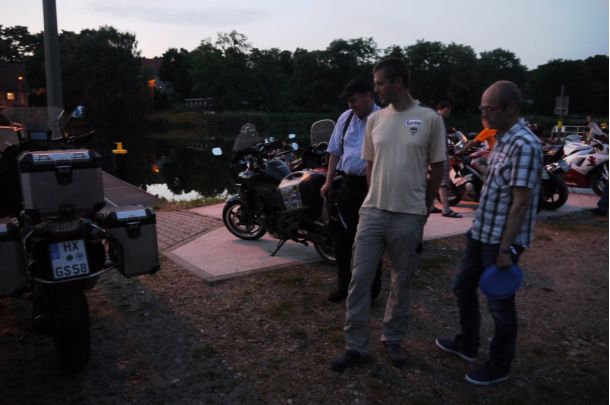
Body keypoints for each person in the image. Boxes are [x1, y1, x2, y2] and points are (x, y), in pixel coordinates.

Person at [330, 57, 446, 371]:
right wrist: (373, 196)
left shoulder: (430, 119)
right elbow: (370, 164)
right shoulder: (375, 120)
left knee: (400, 281)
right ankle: (355, 346)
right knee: (359, 279)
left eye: (381, 83)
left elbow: (438, 168)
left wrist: (424, 207)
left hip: (409, 214)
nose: (377, 89)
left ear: (398, 82)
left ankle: (392, 338)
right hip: (372, 212)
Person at [435, 80, 543, 386]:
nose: (484, 115)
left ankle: (499, 365)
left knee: (500, 305)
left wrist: (506, 249)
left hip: (500, 240)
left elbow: (521, 202)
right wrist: (482, 166)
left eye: (489, 109)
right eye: (482, 109)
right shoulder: (502, 138)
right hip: (481, 230)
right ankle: (468, 344)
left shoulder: (524, 145)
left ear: (512, 107)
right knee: (462, 286)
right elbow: (500, 184)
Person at [320, 78, 382, 303]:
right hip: (348, 186)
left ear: (368, 96)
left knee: (371, 240)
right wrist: (328, 181)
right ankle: (343, 285)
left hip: (374, 187)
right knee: (342, 240)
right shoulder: (345, 118)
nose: (351, 105)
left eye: (354, 100)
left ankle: (372, 290)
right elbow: (335, 151)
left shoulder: (384, 119)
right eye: (348, 101)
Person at [431, 101, 462, 218]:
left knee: (433, 181)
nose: (449, 114)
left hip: (431, 154)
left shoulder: (432, 117)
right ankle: (446, 209)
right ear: (446, 108)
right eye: (449, 111)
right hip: (439, 154)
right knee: (443, 181)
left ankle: (430, 206)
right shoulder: (439, 119)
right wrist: (447, 154)